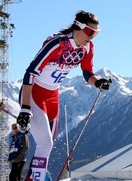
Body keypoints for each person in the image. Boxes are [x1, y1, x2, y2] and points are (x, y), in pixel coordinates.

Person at [16, 10, 112, 181]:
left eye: (96, 33)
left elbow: (87, 72)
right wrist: (25, 108)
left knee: (46, 146)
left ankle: (32, 178)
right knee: (45, 143)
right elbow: (30, 74)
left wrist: (97, 82)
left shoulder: (88, 47)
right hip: (34, 93)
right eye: (90, 32)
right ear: (78, 27)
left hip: (53, 96)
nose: (92, 37)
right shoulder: (56, 44)